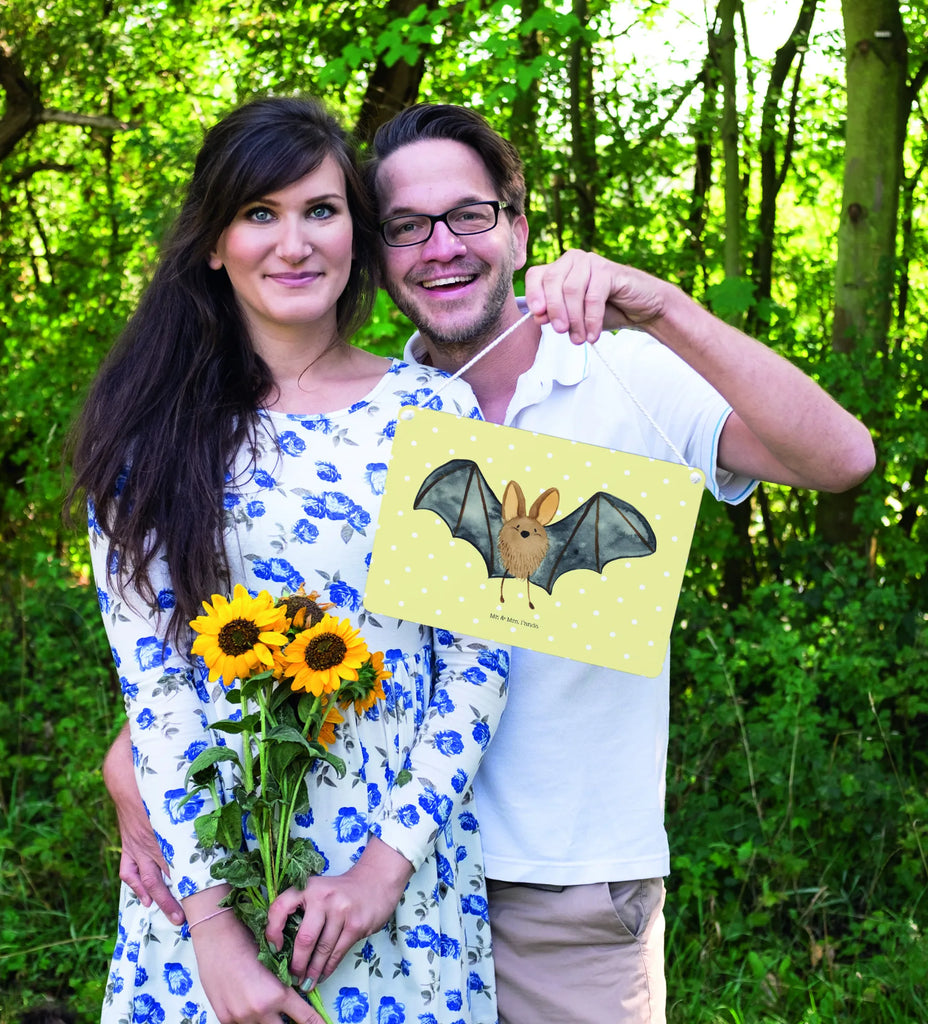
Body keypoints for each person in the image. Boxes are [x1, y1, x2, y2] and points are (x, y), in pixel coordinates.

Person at [106, 102, 876, 1024]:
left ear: (518, 227)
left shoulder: (617, 373)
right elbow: (248, 620)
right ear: (378, 249)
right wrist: (137, 756)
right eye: (407, 226)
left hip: (558, 885)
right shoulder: (384, 412)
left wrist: (662, 306)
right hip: (343, 869)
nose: (441, 247)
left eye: (468, 215)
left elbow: (843, 459)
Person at [69, 96, 513, 1024]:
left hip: (397, 883)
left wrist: (382, 872)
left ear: (357, 230)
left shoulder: (436, 411)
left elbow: (477, 664)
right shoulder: (148, 437)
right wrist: (215, 935)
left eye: (321, 210)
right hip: (208, 880)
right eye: (259, 213)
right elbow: (157, 690)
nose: (295, 243)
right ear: (213, 242)